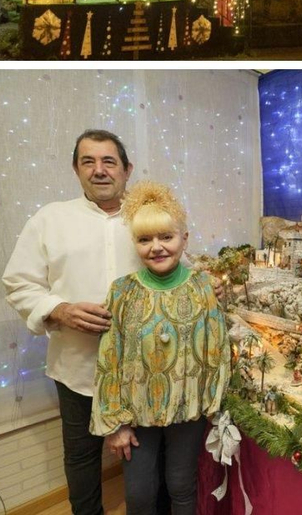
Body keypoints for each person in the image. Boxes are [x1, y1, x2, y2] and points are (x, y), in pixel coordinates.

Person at [3, 129, 141, 515]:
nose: (99, 171)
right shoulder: (50, 219)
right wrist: (60, 309)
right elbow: (18, 283)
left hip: (144, 369)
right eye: (88, 162)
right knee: (82, 459)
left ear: (127, 170)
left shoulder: (148, 216)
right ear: (75, 169)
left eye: (109, 161)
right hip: (78, 368)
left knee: (143, 458)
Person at [90, 182, 229, 515]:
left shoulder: (203, 287)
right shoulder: (122, 292)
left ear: (184, 239)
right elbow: (109, 359)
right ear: (135, 243)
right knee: (139, 495)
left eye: (166, 237)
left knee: (182, 487)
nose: (156, 247)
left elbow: (217, 350)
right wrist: (116, 423)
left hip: (187, 410)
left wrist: (212, 401)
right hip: (136, 415)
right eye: (144, 239)